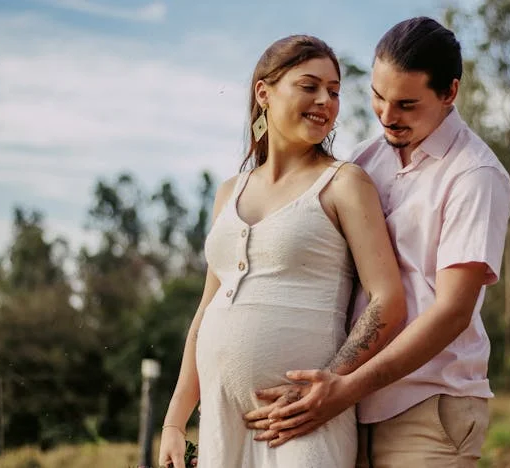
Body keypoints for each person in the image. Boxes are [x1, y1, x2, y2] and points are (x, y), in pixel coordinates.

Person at [244, 17, 510, 467]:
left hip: (428, 408)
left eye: (407, 104)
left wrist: (344, 385)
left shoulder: (474, 176)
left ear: (450, 92)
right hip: (356, 410)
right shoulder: (367, 160)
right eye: (377, 96)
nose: (388, 116)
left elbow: (451, 313)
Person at [158, 34, 407, 468]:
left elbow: (388, 299)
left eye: (334, 91)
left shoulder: (344, 184)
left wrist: (331, 382)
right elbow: (207, 310)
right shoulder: (228, 193)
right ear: (264, 93)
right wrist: (175, 421)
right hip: (221, 421)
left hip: (303, 422)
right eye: (309, 86)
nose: (325, 101)